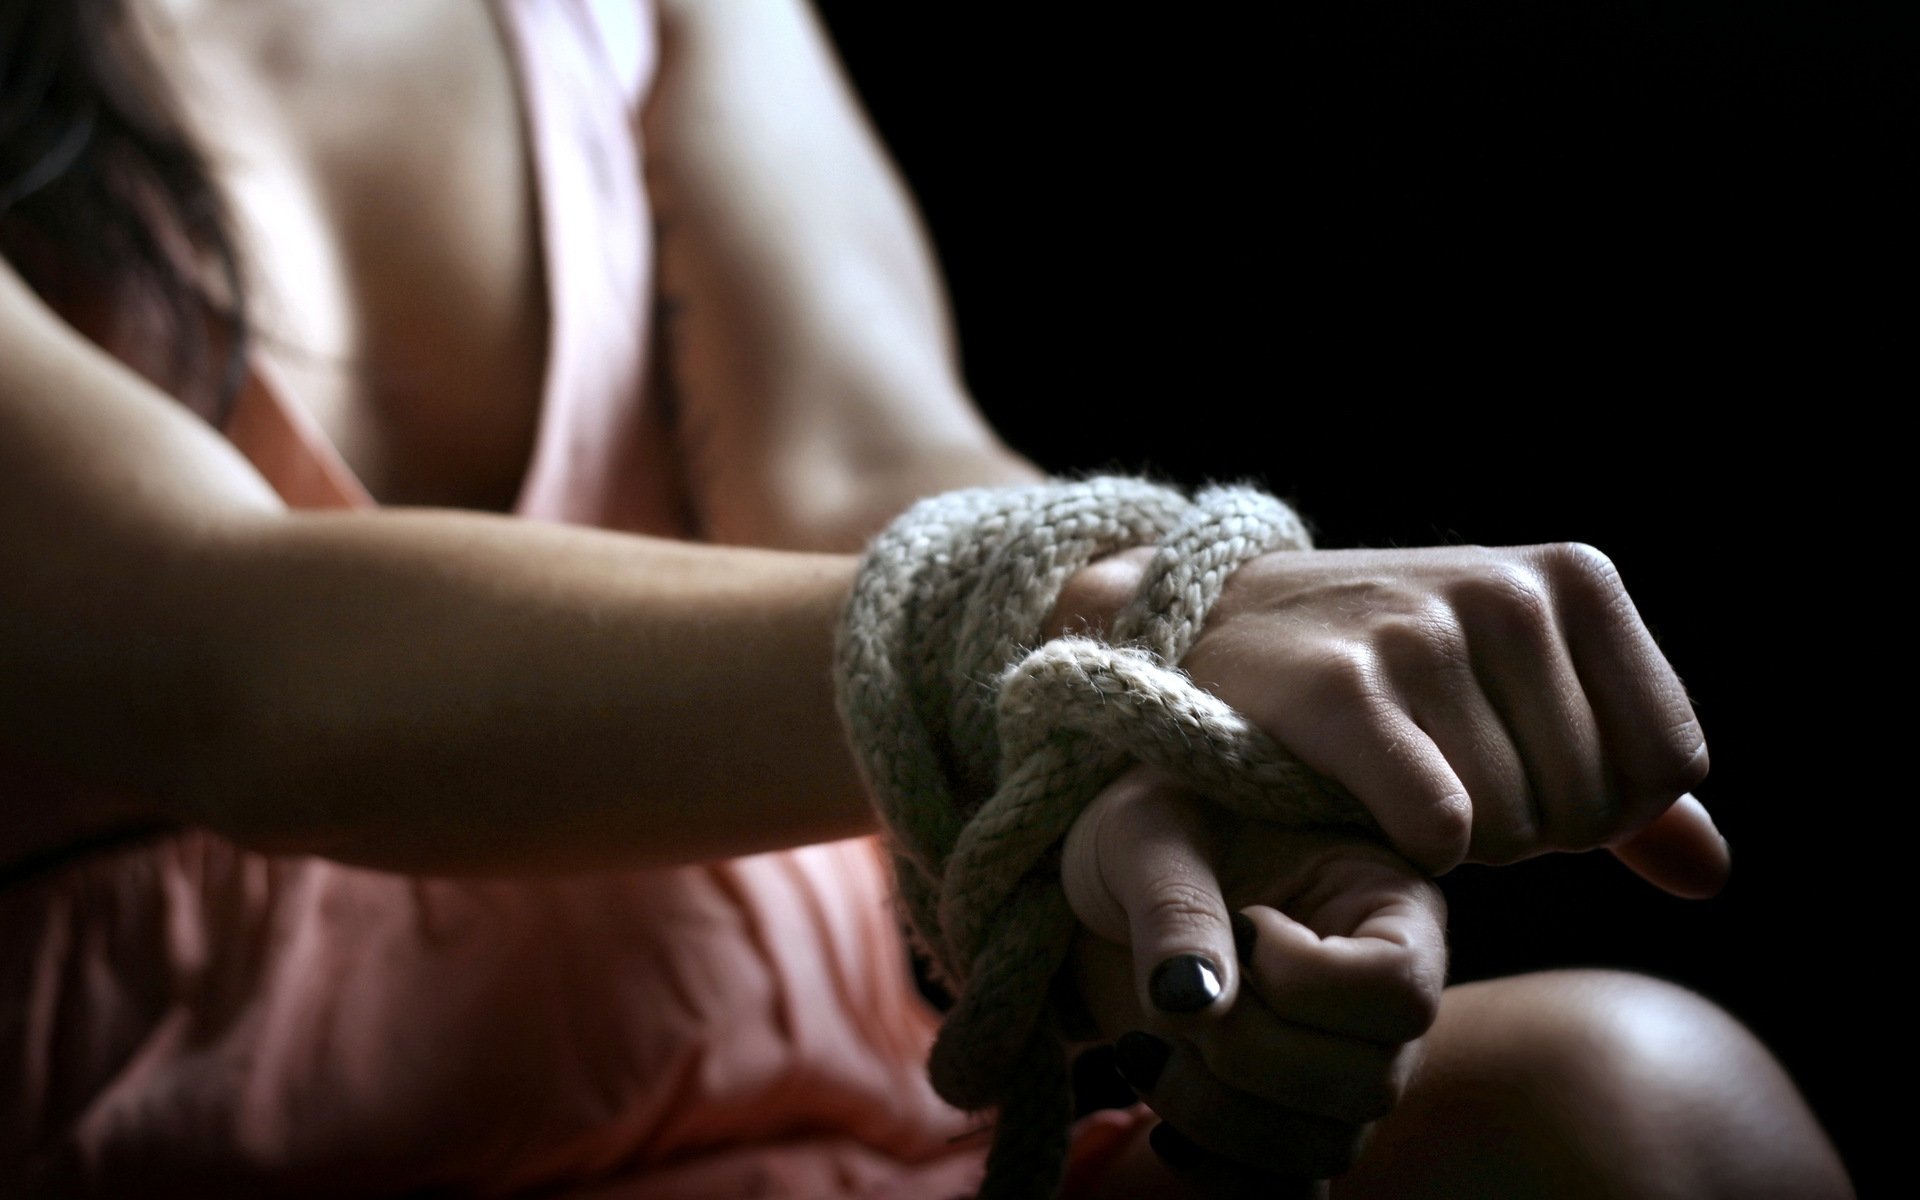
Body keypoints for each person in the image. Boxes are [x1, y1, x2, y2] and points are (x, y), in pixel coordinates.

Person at [0, 1, 1853, 1196]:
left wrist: (1145, 757)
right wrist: (1081, 641)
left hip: (841, 1144)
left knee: (1635, 1113)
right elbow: (240, 655)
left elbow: (877, 472)